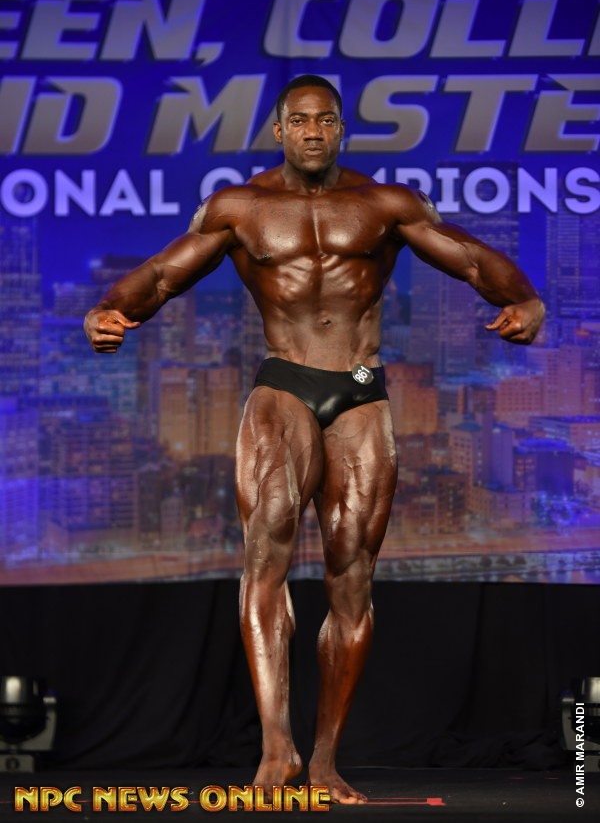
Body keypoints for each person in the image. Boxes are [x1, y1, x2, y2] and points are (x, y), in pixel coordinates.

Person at [84, 74, 545, 803]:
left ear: (339, 130)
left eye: (325, 120)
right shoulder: (240, 207)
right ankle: (277, 750)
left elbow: (467, 257)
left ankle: (326, 760)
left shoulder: (384, 205)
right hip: (285, 381)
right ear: (279, 130)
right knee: (264, 553)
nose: (312, 132)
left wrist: (523, 298)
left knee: (351, 572)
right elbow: (162, 275)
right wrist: (110, 310)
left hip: (360, 384)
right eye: (299, 121)